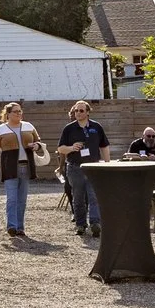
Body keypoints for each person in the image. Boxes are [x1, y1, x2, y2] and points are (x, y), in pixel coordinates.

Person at [59, 100, 109, 236]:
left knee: (94, 196)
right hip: (75, 168)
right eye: (76, 110)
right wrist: (71, 148)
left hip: (93, 167)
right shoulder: (69, 128)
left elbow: (104, 146)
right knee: (78, 197)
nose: (78, 113)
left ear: (87, 112)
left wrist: (107, 163)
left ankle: (95, 223)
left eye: (81, 110)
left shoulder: (96, 127)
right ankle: (80, 225)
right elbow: (60, 149)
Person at [0, 103, 39, 237]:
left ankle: (20, 227)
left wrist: (36, 146)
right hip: (10, 167)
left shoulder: (29, 126)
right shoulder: (0, 129)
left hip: (26, 166)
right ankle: (12, 226)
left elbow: (39, 142)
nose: (18, 113)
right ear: (8, 114)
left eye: (20, 111)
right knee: (12, 198)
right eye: (15, 111)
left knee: (22, 199)